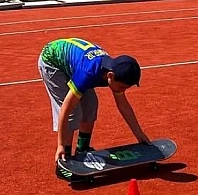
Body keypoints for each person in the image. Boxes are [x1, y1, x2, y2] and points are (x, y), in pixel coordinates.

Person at [37, 38, 149, 182]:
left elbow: (124, 106)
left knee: (91, 104)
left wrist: (139, 135)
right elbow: (65, 109)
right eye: (122, 87)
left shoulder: (113, 72)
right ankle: (64, 162)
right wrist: (59, 145)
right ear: (110, 76)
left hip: (75, 64)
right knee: (73, 112)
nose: (122, 91)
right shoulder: (89, 73)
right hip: (52, 62)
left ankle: (82, 149)